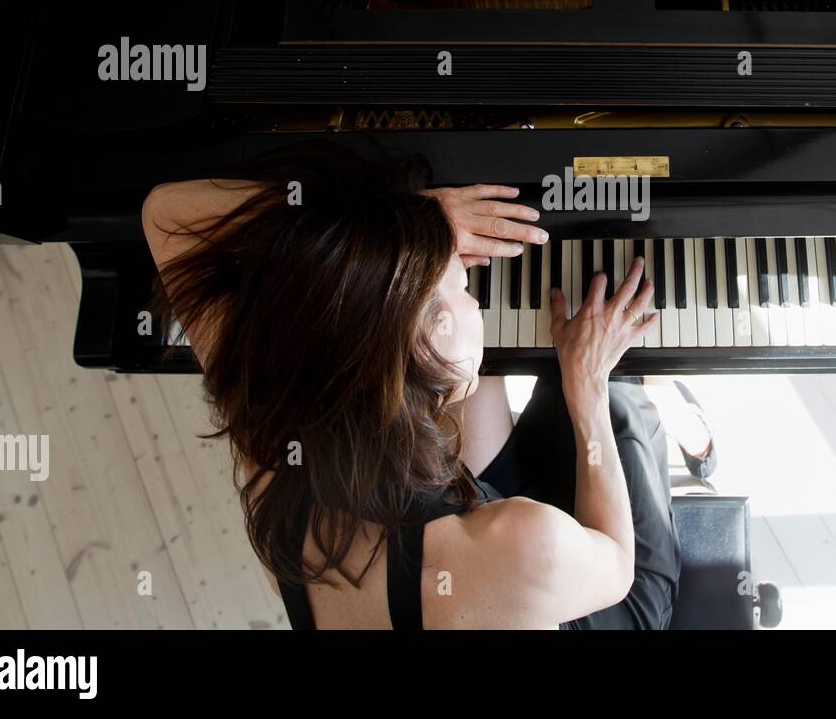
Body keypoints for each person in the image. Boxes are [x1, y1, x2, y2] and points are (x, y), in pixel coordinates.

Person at [140, 142, 708, 629]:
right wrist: (586, 384)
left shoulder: (275, 439)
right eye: (463, 284)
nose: (475, 293)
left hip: (456, 543)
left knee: (530, 382)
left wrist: (394, 224)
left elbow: (165, 212)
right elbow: (613, 567)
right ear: (424, 351)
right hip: (601, 594)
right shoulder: (524, 541)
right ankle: (670, 413)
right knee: (615, 393)